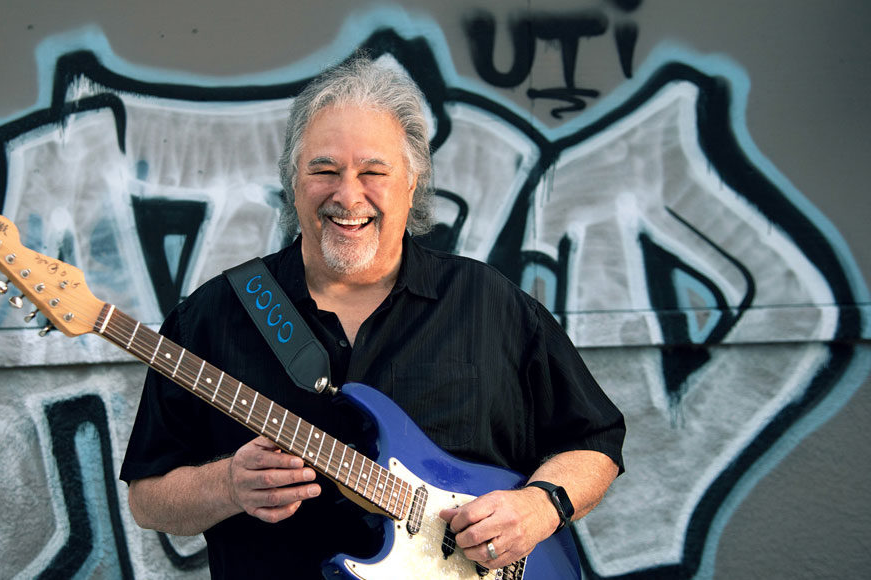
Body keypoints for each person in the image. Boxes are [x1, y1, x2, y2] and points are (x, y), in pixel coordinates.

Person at [120, 55, 625, 578]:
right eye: (324, 170)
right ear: (294, 182)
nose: (348, 194)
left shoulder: (488, 303)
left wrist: (540, 507)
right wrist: (224, 484)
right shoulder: (212, 314)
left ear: (412, 183)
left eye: (373, 172)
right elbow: (148, 497)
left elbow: (595, 441)